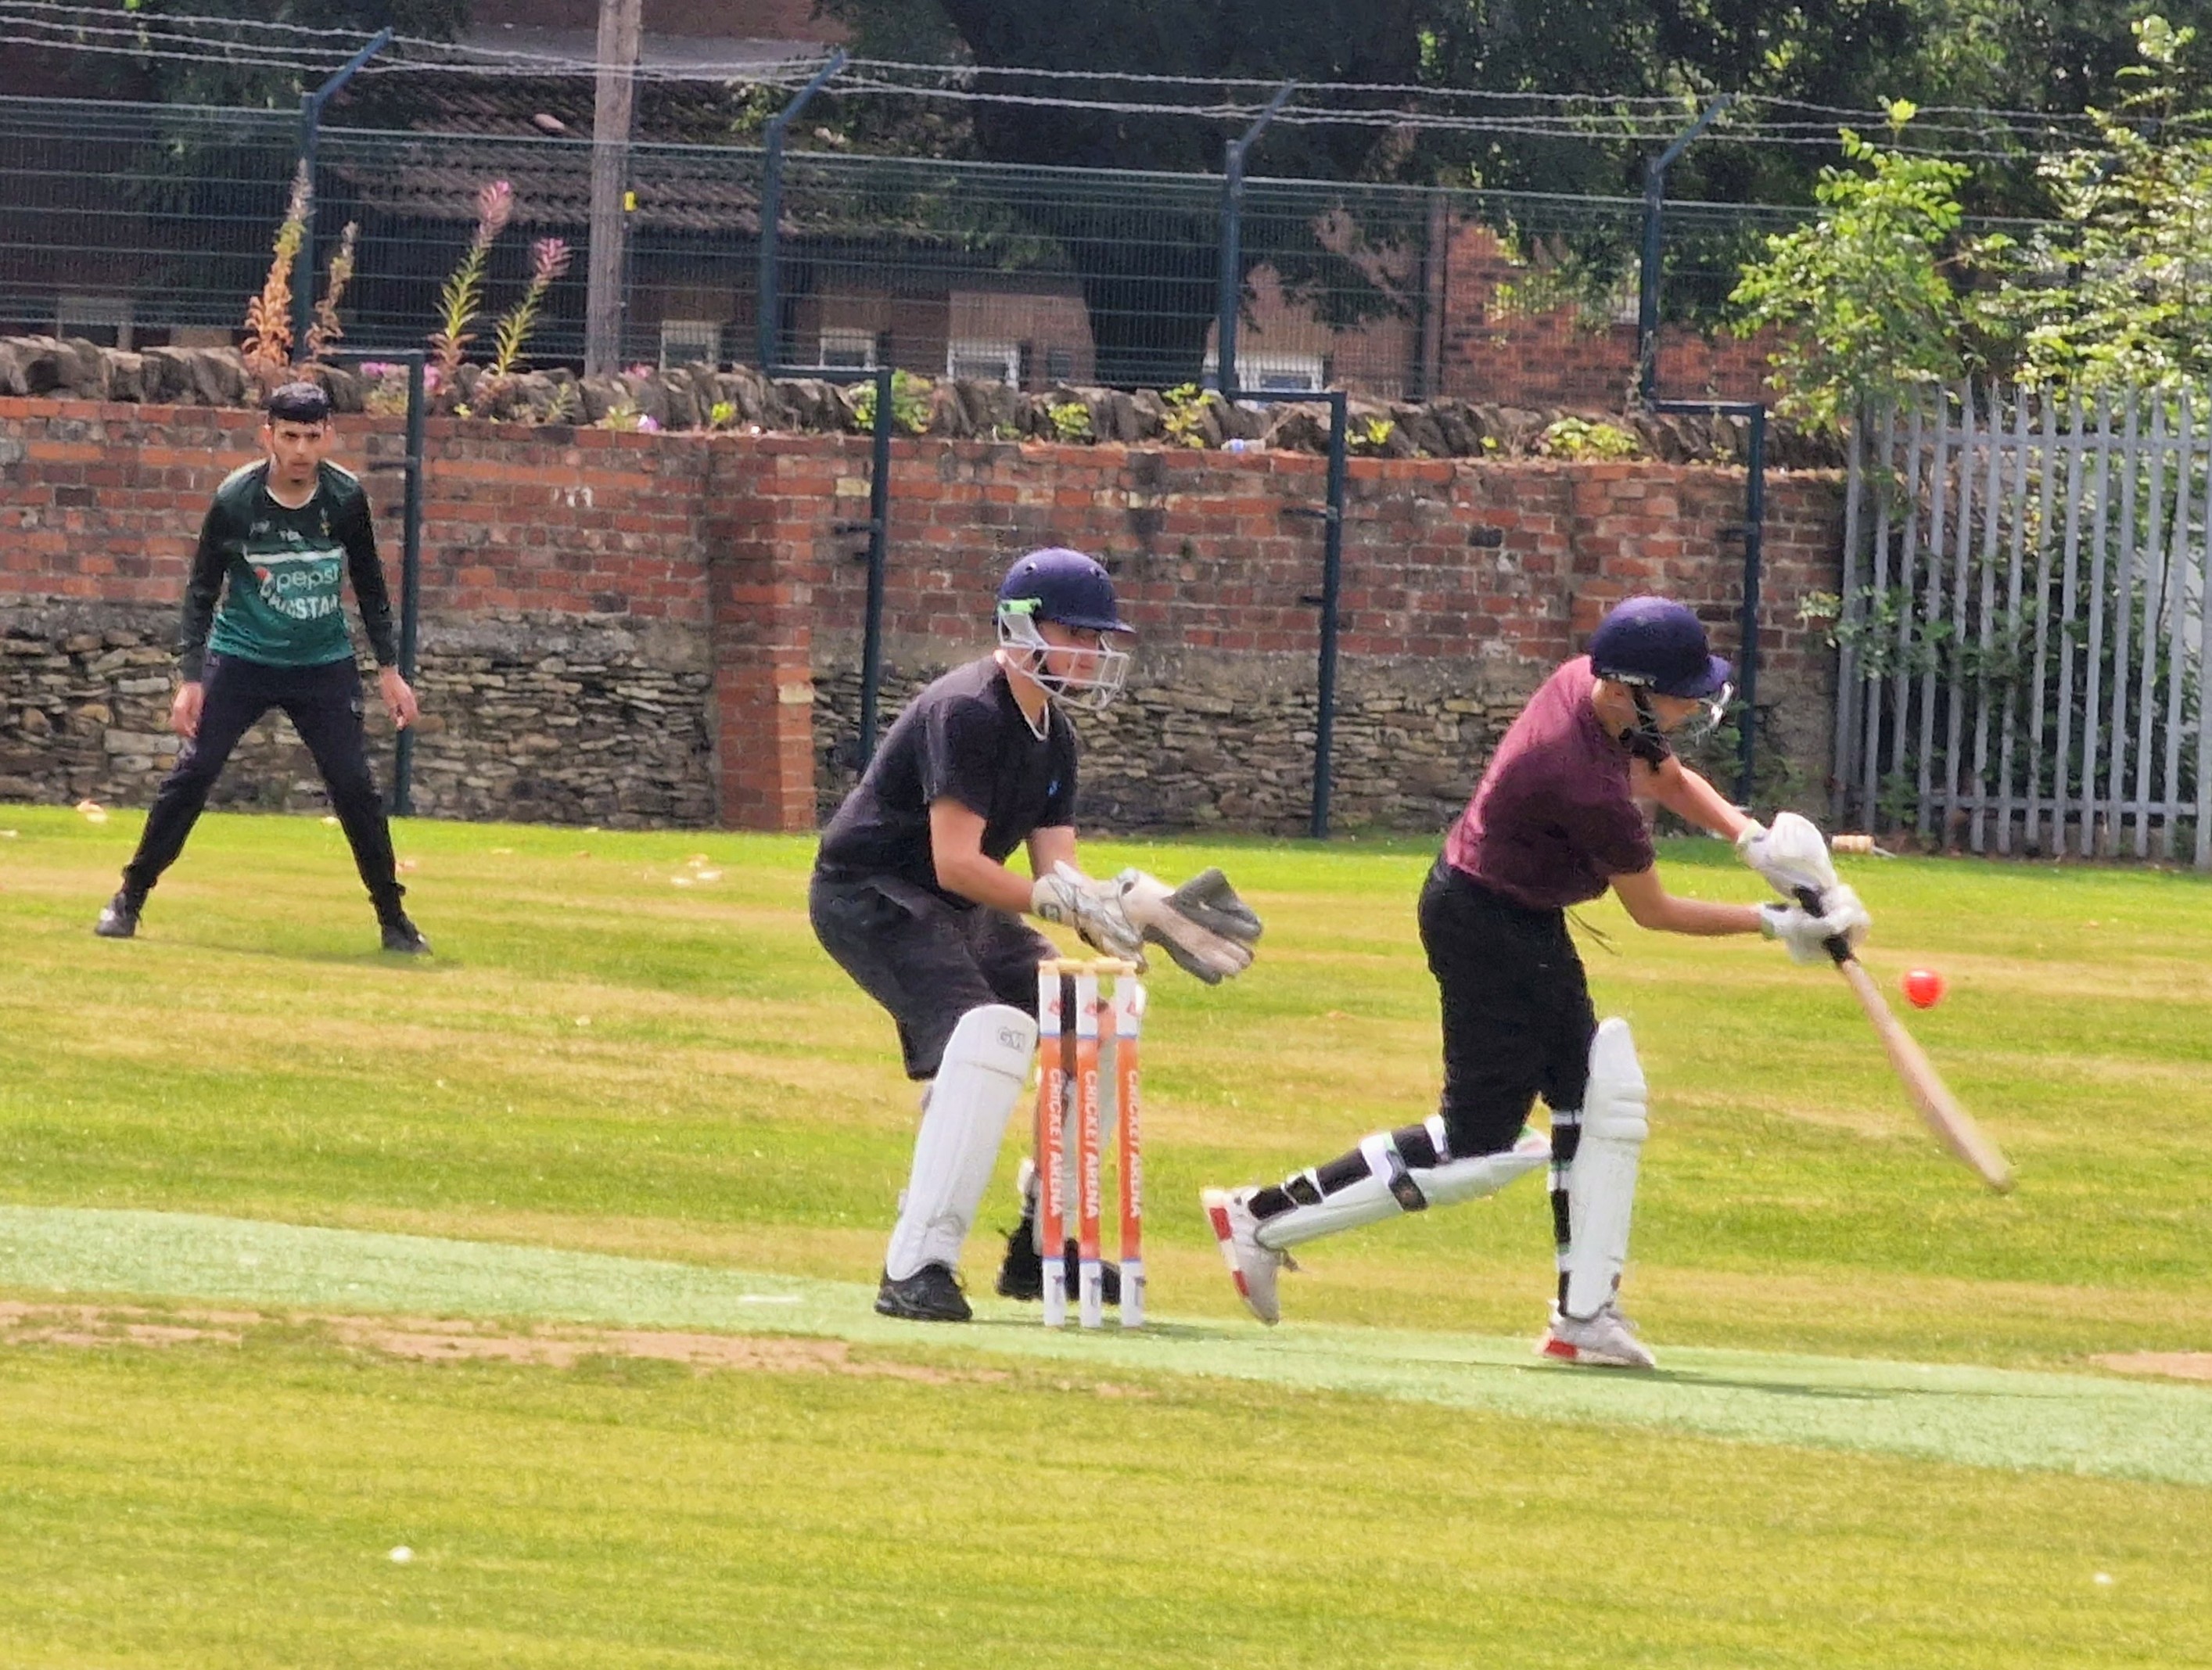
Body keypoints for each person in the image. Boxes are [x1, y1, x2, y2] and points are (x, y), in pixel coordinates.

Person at [1201, 595, 1869, 1369]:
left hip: (1515, 914)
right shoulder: (1578, 776)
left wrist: (1749, 838)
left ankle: (1581, 1316)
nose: (1693, 701)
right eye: (1680, 688)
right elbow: (1650, 910)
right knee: (1476, 1142)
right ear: (1626, 688)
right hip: (1484, 924)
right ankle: (1258, 1215)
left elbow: (1663, 771)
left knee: (1591, 1098)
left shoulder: (1592, 687)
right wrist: (1773, 922)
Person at [810, 547, 1263, 1323]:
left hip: (956, 903)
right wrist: (1061, 903)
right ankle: (916, 1264)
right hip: (871, 893)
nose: (1091, 654)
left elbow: (1057, 869)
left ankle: (1042, 1242)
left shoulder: (1053, 736)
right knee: (990, 1032)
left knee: (1085, 1015)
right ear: (1020, 628)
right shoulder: (967, 712)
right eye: (1076, 635)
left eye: (1097, 639)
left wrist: (1128, 903)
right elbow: (956, 863)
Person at [93, 380, 427, 954]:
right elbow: (202, 590)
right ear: (267, 435)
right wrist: (191, 678)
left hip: (322, 662)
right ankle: (129, 898)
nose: (300, 450)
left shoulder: (345, 498)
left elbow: (371, 585)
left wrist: (389, 668)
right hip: (242, 656)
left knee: (354, 786)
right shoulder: (236, 499)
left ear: (328, 437)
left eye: (311, 436)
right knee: (193, 773)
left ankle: (394, 921)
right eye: (289, 436)